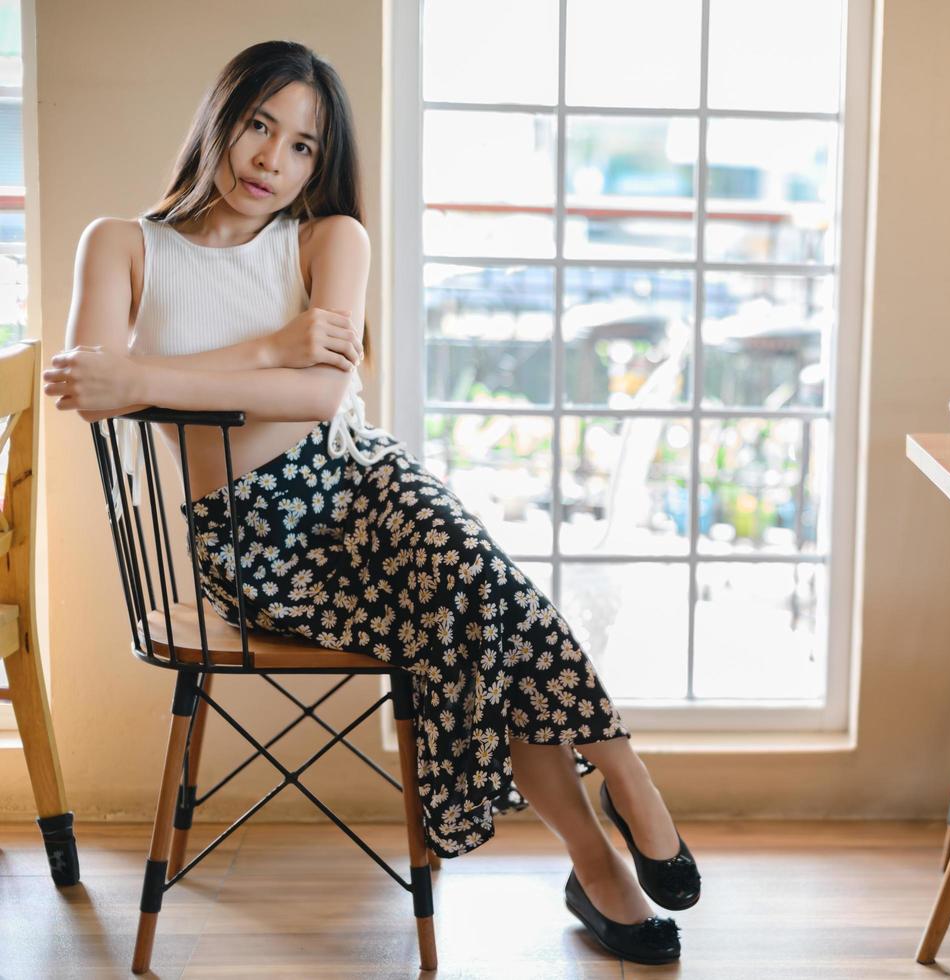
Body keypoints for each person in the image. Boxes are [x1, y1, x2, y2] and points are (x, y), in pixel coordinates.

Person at [44, 40, 697, 966]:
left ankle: (615, 810)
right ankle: (605, 839)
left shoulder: (328, 239)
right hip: (254, 547)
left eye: (304, 145)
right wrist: (274, 349)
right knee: (479, 605)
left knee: (470, 579)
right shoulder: (121, 243)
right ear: (219, 120)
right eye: (259, 126)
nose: (274, 160)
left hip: (362, 481)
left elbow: (318, 401)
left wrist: (161, 376)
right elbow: (94, 387)